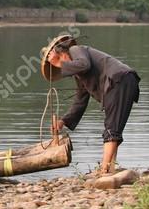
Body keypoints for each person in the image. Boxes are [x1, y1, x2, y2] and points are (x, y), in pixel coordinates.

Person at [41, 34, 141, 175]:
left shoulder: (76, 50)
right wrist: (63, 121)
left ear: (62, 53)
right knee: (113, 126)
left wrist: (59, 64)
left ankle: (104, 170)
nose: (65, 68)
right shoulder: (80, 76)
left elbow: (84, 65)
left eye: (60, 61)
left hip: (119, 80)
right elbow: (80, 101)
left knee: (112, 128)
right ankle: (110, 168)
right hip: (121, 83)